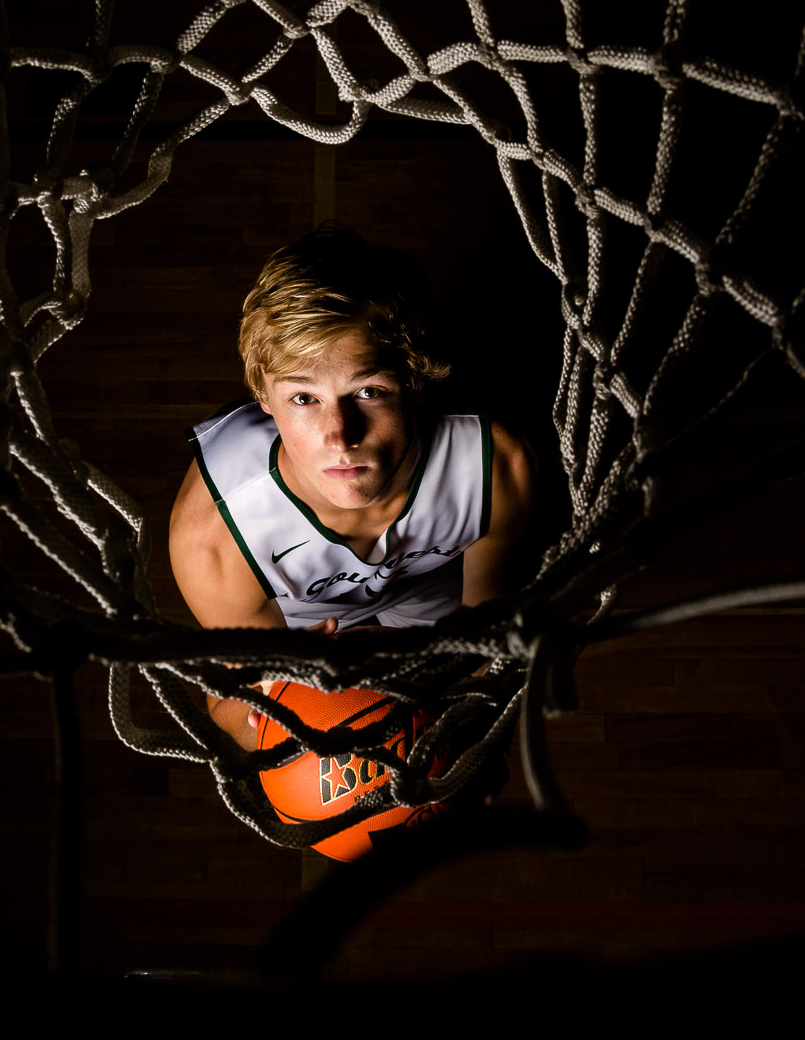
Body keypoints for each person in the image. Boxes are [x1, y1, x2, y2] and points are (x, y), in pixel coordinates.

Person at [168, 226, 534, 746]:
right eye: (303, 399)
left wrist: (468, 744)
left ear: (413, 379)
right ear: (262, 397)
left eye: (368, 391)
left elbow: (489, 647)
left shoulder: (496, 465)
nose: (340, 436)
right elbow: (229, 705)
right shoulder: (215, 535)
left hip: (428, 590)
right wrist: (276, 727)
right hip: (296, 628)